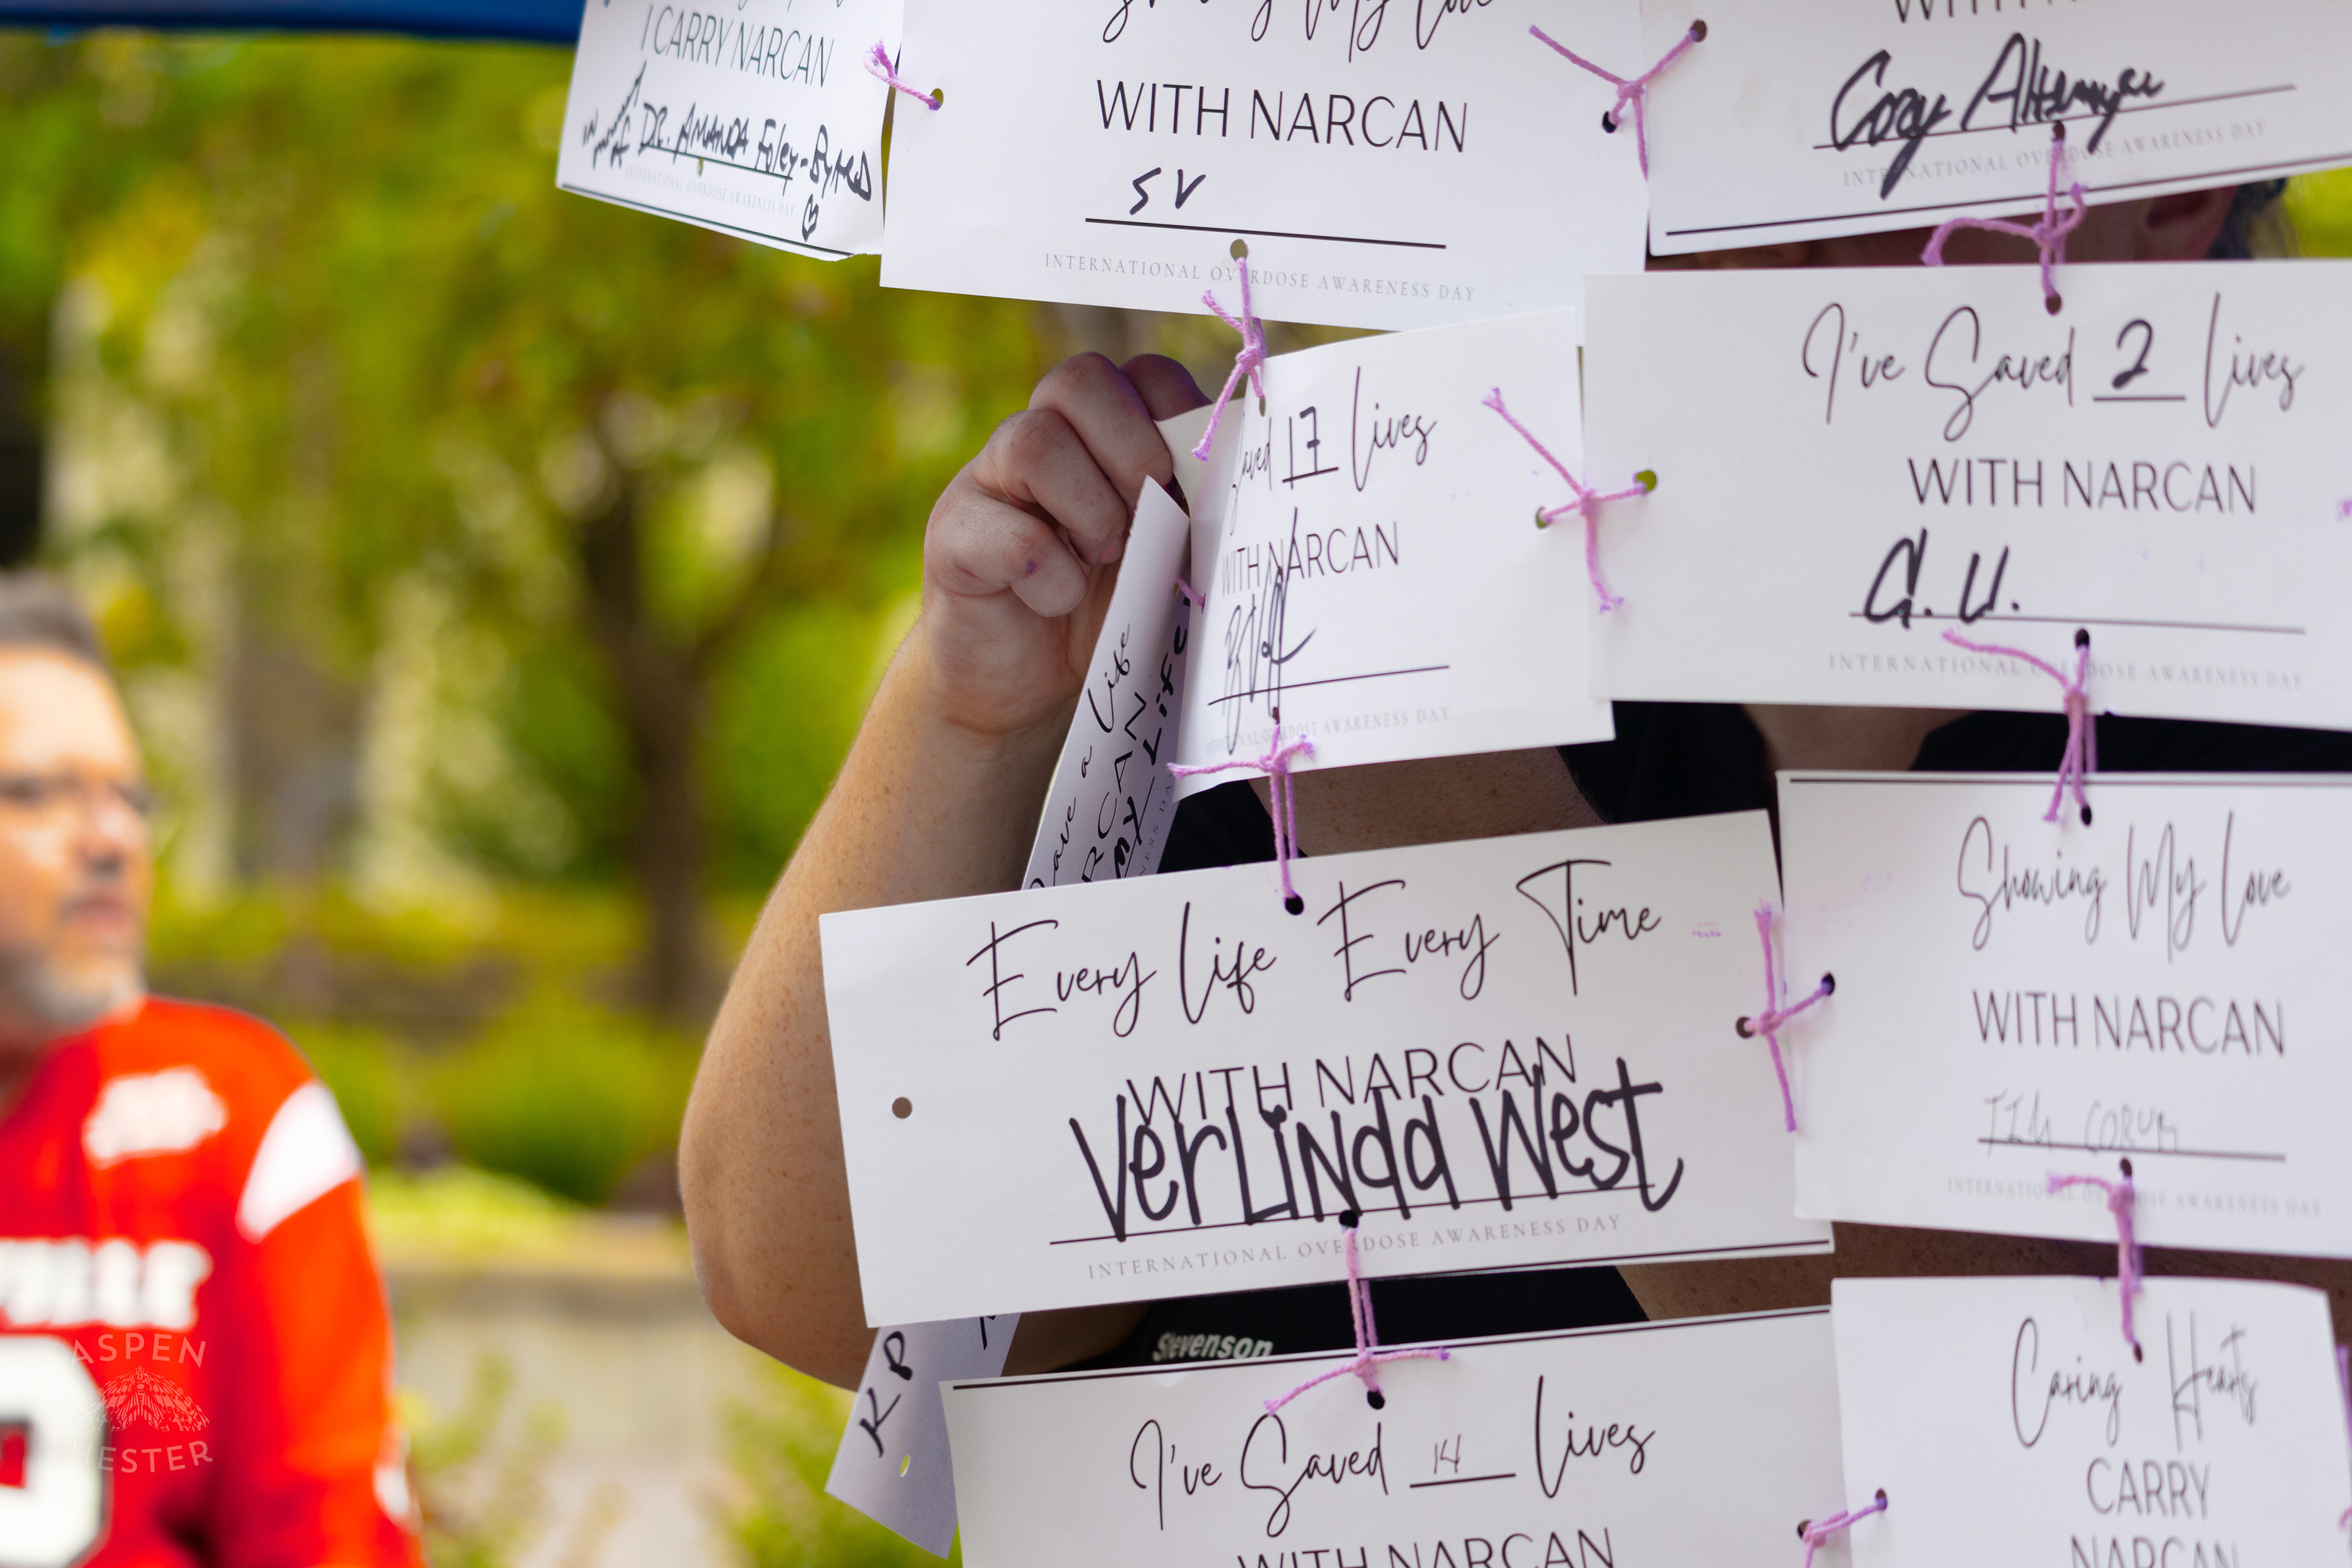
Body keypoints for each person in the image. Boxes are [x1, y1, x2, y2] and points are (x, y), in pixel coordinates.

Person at [679, 180, 2346, 1393]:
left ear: (2170, 199)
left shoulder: (2287, 725)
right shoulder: (1400, 587)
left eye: (1870, 122)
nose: (1718, 207)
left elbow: (2060, 1417)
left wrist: (1458, 846)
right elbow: (821, 1293)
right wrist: (974, 717)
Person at [0, 575, 423, 1568]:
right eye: (41, 792)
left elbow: (329, 1543)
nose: (110, 840)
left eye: (128, 796)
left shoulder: (238, 1119)